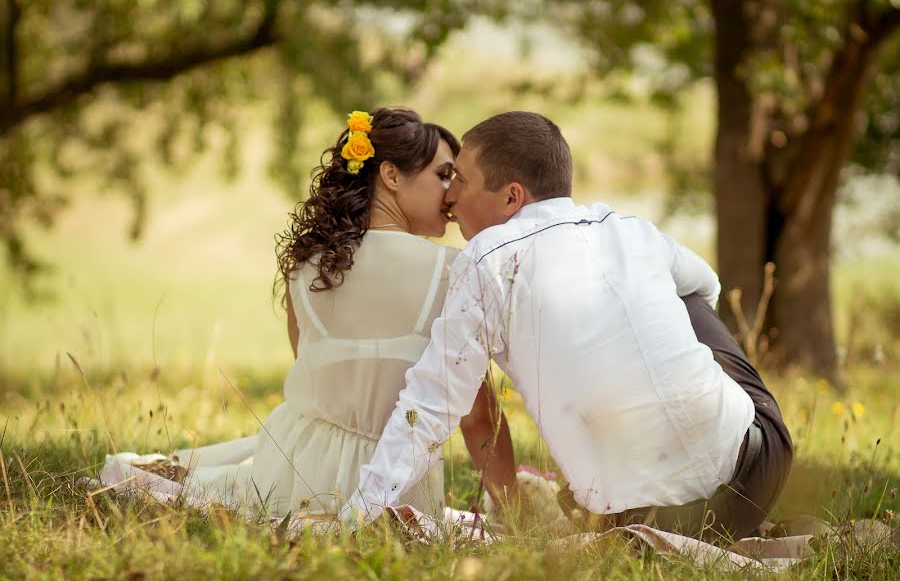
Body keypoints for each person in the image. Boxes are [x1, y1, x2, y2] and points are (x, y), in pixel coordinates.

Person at [343, 111, 793, 542]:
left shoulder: (488, 261)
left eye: (460, 179)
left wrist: (361, 513)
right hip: (759, 471)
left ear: (512, 197)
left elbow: (431, 403)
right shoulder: (629, 228)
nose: (450, 196)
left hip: (651, 523)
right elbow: (707, 287)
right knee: (686, 297)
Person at [98, 108, 516, 520]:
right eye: (443, 175)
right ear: (390, 176)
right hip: (389, 479)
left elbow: (314, 371)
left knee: (216, 491)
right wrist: (517, 509)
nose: (452, 194)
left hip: (289, 461)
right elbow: (478, 417)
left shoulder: (307, 265)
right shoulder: (453, 271)